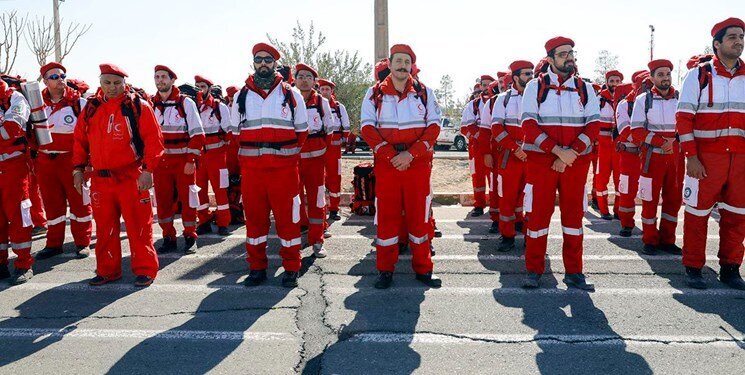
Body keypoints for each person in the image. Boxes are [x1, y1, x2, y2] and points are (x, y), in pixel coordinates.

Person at [72, 63, 164, 287]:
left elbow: (154, 140)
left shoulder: (137, 106)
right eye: (107, 82)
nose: (112, 87)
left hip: (131, 177)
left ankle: (145, 269)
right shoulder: (91, 108)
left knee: (139, 227)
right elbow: (79, 141)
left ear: (124, 83)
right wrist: (78, 169)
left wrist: (148, 170)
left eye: (116, 83)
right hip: (101, 180)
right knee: (104, 229)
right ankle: (107, 270)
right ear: (100, 83)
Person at [521, 36, 600, 290]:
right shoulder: (535, 86)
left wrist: (570, 153)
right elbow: (528, 125)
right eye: (563, 53)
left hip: (575, 163)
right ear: (551, 59)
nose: (569, 57)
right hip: (541, 163)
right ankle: (534, 270)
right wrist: (556, 152)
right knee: (537, 217)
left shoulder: (586, 88)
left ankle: (574, 271)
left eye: (571, 53)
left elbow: (594, 125)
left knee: (574, 218)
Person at [360, 44, 442, 289]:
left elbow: (434, 126)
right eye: (399, 61)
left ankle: (424, 269)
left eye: (407, 61)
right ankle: (385, 270)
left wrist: (411, 155)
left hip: (417, 165)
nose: (402, 66)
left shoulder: (425, 92)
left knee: (419, 217)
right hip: (387, 166)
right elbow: (367, 128)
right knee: (387, 218)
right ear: (390, 63)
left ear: (411, 66)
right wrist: (390, 156)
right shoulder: (373, 93)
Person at [230, 43, 309, 288]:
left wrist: (285, 156)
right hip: (253, 172)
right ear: (253, 63)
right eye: (258, 59)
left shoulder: (290, 94)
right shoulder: (240, 95)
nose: (263, 63)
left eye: (268, 59)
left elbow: (302, 132)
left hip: (284, 171)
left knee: (288, 221)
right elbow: (235, 135)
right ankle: (256, 268)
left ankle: (291, 267)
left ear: (276, 63)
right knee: (254, 222)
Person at [676, 17, 745, 290]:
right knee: (696, 214)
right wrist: (691, 157)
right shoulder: (698, 75)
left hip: (740, 161)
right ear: (717, 44)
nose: (739, 41)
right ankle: (693, 267)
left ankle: (731, 268)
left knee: (737, 215)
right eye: (732, 37)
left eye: (741, 36)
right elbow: (683, 119)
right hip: (705, 161)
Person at [33, 62, 92, 260]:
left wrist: (86, 164)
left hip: (72, 161)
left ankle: (83, 242)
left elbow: (89, 136)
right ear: (46, 81)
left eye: (62, 76)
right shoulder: (36, 104)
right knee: (52, 204)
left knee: (79, 203)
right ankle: (53, 243)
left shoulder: (79, 103)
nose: (60, 80)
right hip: (46, 162)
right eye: (55, 77)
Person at [630, 59, 683, 255]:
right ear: (652, 78)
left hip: (676, 157)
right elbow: (636, 131)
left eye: (667, 74)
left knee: (674, 199)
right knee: (650, 198)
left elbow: (687, 123)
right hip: (652, 157)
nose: (665, 78)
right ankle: (650, 240)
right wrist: (661, 142)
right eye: (660, 75)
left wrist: (675, 140)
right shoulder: (643, 100)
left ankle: (668, 240)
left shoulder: (680, 97)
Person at [151, 65, 205, 254]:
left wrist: (191, 160)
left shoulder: (186, 103)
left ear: (173, 80)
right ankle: (168, 236)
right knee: (163, 201)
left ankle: (190, 236)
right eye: (157, 77)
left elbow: (198, 134)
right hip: (160, 163)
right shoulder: (151, 104)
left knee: (189, 199)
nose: (160, 80)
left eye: (164, 77)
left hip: (183, 162)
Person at [491, 60, 533, 252]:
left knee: (531, 199)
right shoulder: (503, 99)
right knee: (507, 198)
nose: (531, 77)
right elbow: (497, 128)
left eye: (532, 73)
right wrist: (516, 148)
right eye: (526, 74)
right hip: (510, 156)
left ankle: (530, 235)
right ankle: (507, 235)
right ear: (516, 77)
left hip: (533, 156)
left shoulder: (538, 97)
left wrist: (530, 148)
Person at [295, 63, 334, 258]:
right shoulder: (288, 99)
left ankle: (317, 240)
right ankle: (296, 235)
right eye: (301, 76)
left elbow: (329, 130)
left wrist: (320, 150)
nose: (304, 80)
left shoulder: (322, 102)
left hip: (316, 161)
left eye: (308, 77)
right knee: (294, 199)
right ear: (294, 79)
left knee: (317, 199)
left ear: (314, 82)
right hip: (292, 161)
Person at [0, 75, 33, 285]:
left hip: (14, 167)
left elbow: (10, 130)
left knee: (19, 216)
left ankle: (23, 264)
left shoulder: (15, 98)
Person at [193, 75, 232, 236]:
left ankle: (223, 222)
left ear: (209, 88)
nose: (200, 89)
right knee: (199, 190)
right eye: (197, 86)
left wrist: (221, 148)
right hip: (199, 156)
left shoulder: (219, 107)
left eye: (202, 86)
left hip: (217, 155)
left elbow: (228, 132)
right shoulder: (192, 106)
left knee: (220, 190)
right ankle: (203, 221)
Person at [317, 79, 350, 222]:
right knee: (318, 179)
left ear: (332, 92)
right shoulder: (315, 105)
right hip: (318, 147)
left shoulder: (339, 107)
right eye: (322, 89)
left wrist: (343, 142)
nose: (324, 92)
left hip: (334, 150)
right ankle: (319, 210)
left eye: (327, 89)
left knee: (334, 178)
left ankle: (334, 209)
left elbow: (346, 127)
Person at [594, 70, 624, 220]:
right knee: (601, 178)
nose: (615, 84)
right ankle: (603, 209)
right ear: (607, 82)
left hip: (619, 146)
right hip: (603, 145)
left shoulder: (625, 99)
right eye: (612, 81)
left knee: (620, 178)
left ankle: (619, 210)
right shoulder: (598, 99)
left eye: (617, 81)